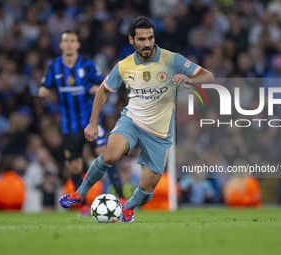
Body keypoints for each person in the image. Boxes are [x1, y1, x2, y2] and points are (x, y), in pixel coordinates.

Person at [59, 17, 214, 222]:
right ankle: (79, 194)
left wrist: (189, 79)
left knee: (147, 187)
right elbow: (104, 90)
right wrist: (93, 122)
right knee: (110, 156)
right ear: (131, 40)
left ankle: (128, 207)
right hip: (131, 122)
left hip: (159, 133)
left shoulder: (171, 59)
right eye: (141, 39)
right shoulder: (124, 65)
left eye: (150, 38)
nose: (147, 43)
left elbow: (208, 76)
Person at [38, 31, 125, 212]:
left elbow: (104, 87)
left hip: (91, 122)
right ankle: (83, 207)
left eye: (72, 41)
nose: (69, 44)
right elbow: (44, 89)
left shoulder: (88, 65)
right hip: (69, 126)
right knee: (75, 166)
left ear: (78, 44)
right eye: (65, 41)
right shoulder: (54, 66)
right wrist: (45, 92)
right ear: (61, 45)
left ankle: (122, 198)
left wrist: (94, 88)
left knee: (106, 155)